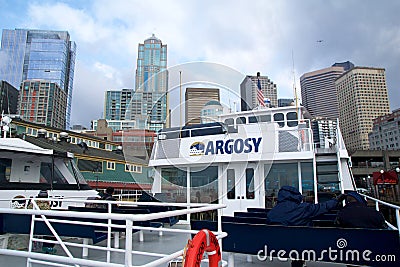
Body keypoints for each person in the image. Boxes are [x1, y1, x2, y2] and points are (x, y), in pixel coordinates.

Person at [266, 186, 346, 267]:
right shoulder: (303, 208)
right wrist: (336, 200)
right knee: (305, 226)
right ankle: (299, 261)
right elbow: (323, 207)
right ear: (296, 196)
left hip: (279, 244)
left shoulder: (272, 212)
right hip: (302, 243)